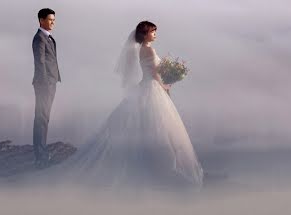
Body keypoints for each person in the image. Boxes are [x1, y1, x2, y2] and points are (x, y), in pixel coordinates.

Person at [60, 20, 203, 188]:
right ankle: (161, 165)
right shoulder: (149, 49)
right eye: (152, 31)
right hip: (153, 87)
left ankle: (152, 160)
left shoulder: (142, 49)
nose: (155, 34)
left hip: (146, 86)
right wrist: (166, 85)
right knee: (159, 126)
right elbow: (155, 74)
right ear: (145, 33)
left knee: (147, 125)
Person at [32, 8, 60, 169]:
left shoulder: (47, 38)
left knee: (44, 118)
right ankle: (40, 157)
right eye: (50, 20)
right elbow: (40, 62)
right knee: (41, 119)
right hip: (44, 84)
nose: (53, 23)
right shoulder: (39, 39)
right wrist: (45, 83)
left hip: (51, 82)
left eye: (54, 20)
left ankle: (42, 155)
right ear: (41, 20)